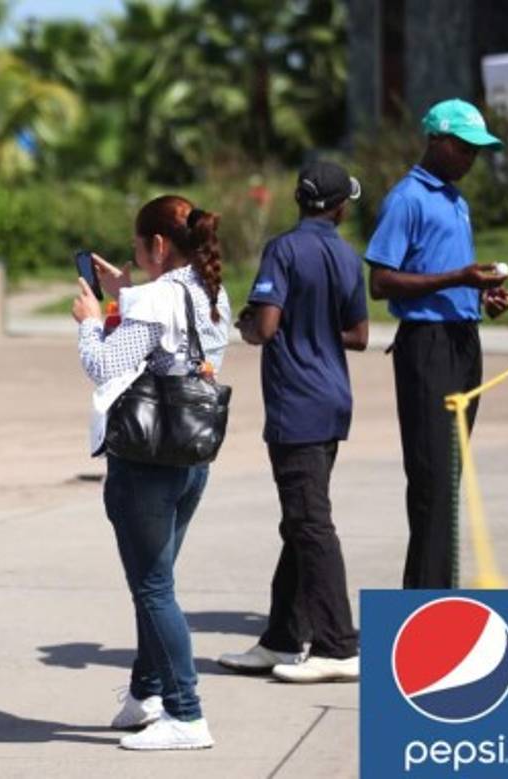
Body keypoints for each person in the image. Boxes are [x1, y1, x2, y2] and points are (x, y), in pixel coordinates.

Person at [73, 195, 229, 751]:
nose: (136, 260)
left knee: (153, 587)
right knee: (155, 584)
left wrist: (92, 324)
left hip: (145, 463)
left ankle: (186, 713)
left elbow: (104, 367)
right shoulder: (210, 291)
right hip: (191, 458)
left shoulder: (154, 299)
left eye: (140, 250)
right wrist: (125, 291)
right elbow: (174, 339)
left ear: (158, 246)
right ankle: (148, 691)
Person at [221, 161, 368, 683]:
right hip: (331, 401)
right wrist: (318, 326)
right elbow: (359, 335)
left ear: (299, 200)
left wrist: (244, 322)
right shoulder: (348, 256)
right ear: (340, 207)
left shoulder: (284, 249)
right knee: (299, 521)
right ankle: (282, 638)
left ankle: (338, 645)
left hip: (296, 405)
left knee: (310, 523)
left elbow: (263, 327)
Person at [365, 99, 508, 589]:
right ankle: (424, 602)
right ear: (437, 140)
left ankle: (439, 591)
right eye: (465, 148)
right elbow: (381, 282)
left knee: (451, 476)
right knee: (431, 478)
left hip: (462, 341)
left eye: (478, 151)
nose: (471, 158)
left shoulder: (456, 200)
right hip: (425, 345)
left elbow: (452, 278)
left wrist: (481, 293)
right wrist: (457, 276)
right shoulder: (407, 198)